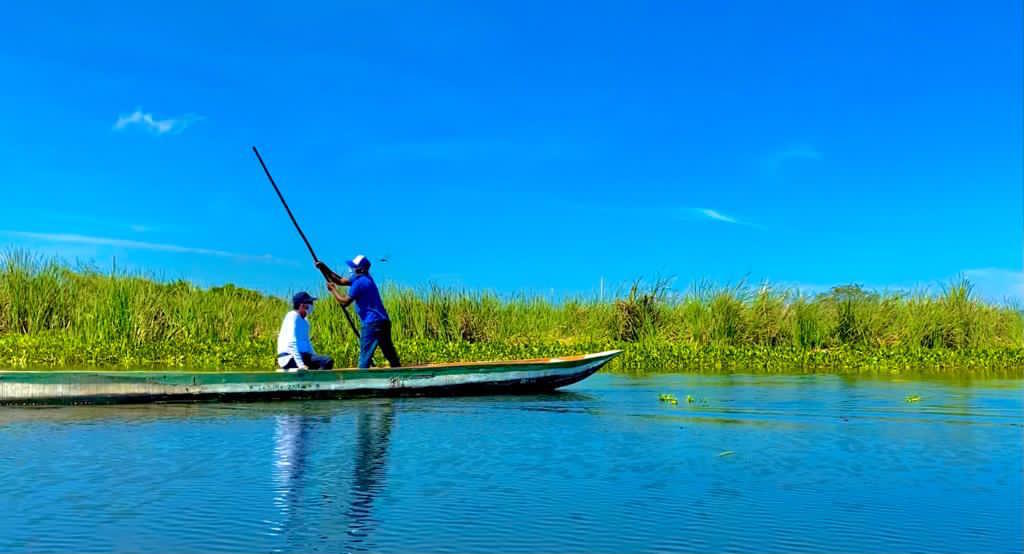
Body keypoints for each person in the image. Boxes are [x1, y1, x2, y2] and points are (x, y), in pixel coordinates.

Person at [317, 255, 401, 369]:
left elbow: (344, 302)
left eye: (353, 267)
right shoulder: (364, 278)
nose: (351, 269)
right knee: (390, 354)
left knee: (364, 358)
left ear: (360, 269)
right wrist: (323, 267)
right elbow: (340, 280)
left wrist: (333, 290)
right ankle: (398, 372)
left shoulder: (360, 282)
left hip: (372, 323)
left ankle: (362, 379)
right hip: (383, 321)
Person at [276, 291, 334, 371]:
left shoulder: (305, 322)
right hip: (288, 358)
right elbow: (291, 343)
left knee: (327, 361)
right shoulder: (292, 316)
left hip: (303, 356)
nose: (312, 305)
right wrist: (301, 365)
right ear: (302, 305)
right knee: (327, 361)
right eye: (310, 303)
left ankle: (315, 381)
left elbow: (307, 343)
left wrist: (316, 357)